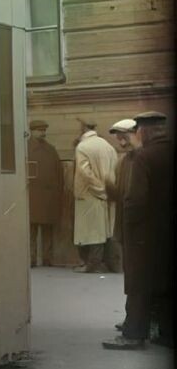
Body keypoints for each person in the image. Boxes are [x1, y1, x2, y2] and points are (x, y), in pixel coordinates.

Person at [103, 111, 173, 350]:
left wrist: (129, 227)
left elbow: (135, 200)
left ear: (142, 131)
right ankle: (166, 334)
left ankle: (133, 334)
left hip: (144, 234)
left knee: (139, 285)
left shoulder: (144, 157)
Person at [72, 119, 117, 273]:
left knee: (88, 233)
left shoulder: (82, 147)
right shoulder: (108, 146)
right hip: (107, 195)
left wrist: (99, 190)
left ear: (83, 130)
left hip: (89, 195)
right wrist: (108, 192)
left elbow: (85, 173)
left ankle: (91, 265)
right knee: (102, 231)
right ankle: (104, 264)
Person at [26, 120, 64, 267]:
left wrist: (58, 192)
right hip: (32, 196)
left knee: (48, 230)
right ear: (32, 131)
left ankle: (48, 258)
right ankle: (31, 258)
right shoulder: (25, 149)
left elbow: (59, 174)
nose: (42, 133)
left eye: (43, 130)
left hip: (48, 197)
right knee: (31, 230)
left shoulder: (51, 150)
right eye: (39, 130)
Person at [104, 120, 137, 283]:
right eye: (119, 139)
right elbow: (119, 193)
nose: (122, 143)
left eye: (124, 137)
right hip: (126, 222)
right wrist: (109, 188)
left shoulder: (145, 159)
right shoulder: (123, 162)